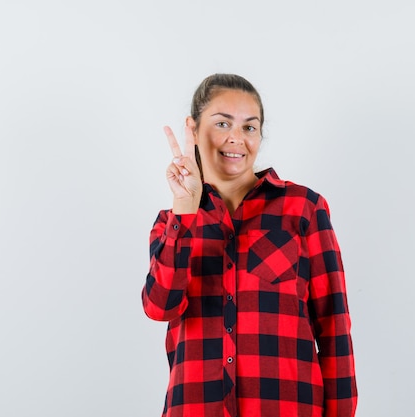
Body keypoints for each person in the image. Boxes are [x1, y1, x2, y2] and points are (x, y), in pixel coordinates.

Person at [141, 73, 357, 417]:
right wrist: (185, 209)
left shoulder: (303, 209)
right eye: (223, 123)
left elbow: (334, 326)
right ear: (193, 130)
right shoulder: (171, 223)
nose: (236, 139)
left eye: (249, 127)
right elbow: (159, 307)